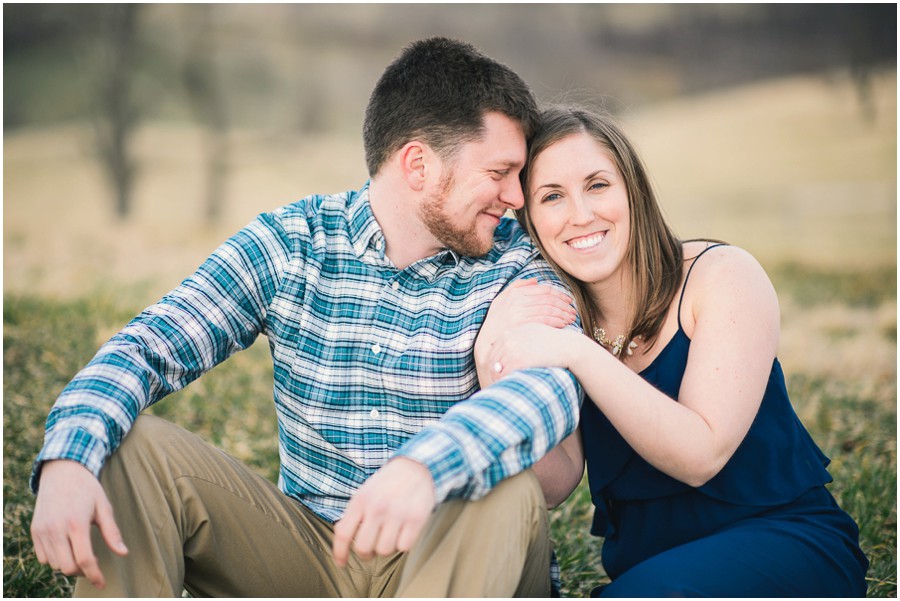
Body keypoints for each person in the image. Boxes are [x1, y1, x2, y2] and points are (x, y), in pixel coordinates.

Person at [28, 38, 585, 597]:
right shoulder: (294, 242)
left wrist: (425, 467)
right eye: (500, 172)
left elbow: (547, 395)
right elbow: (150, 346)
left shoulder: (521, 261)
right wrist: (67, 459)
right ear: (418, 164)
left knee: (508, 488)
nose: (517, 196)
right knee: (126, 446)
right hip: (314, 553)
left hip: (451, 550)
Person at [476, 106, 869, 597]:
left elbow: (701, 453)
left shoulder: (720, 276)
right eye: (551, 196)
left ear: (633, 191)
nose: (581, 214)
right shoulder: (562, 316)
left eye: (597, 185)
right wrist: (490, 358)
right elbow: (556, 485)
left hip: (782, 544)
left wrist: (576, 353)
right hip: (649, 568)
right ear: (530, 219)